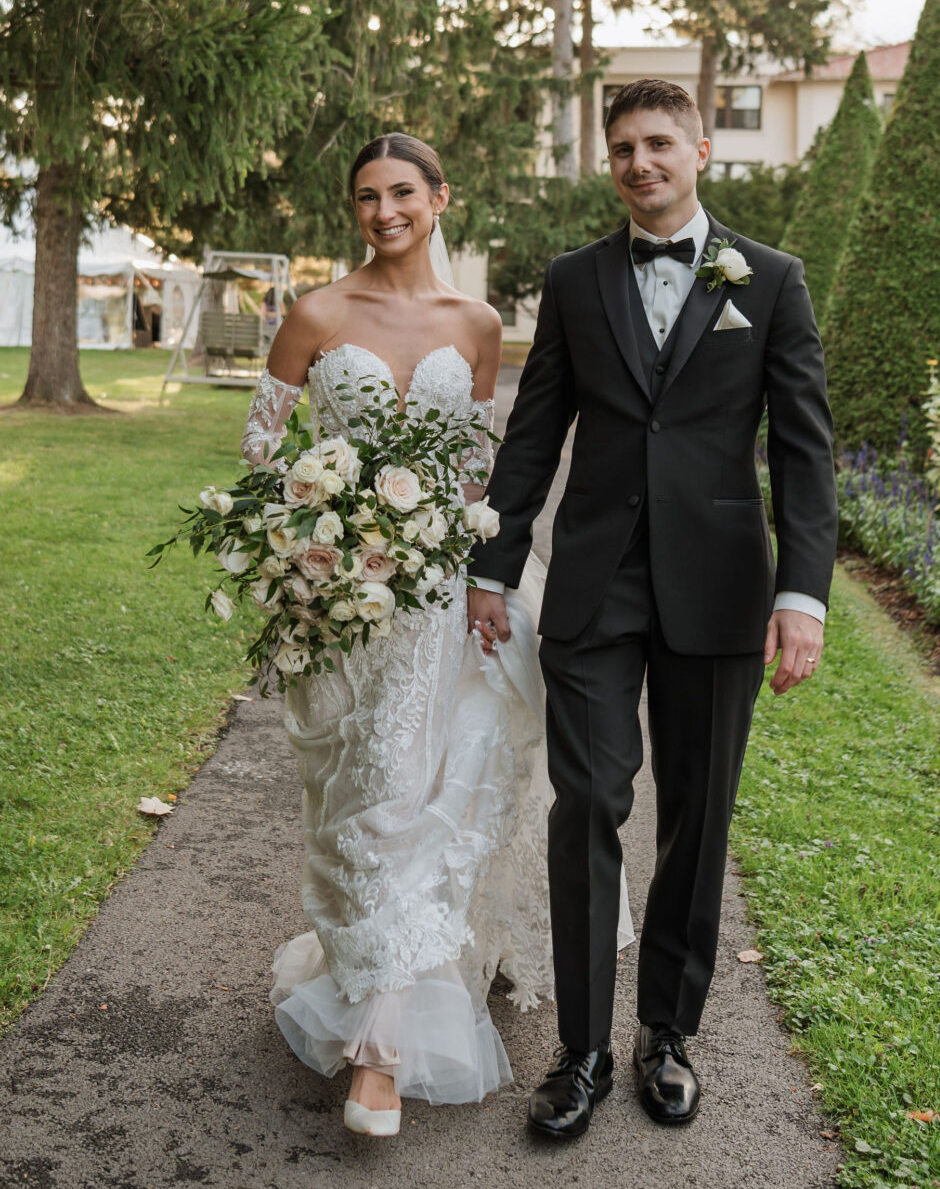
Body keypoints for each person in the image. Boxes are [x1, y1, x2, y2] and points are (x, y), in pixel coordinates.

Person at [467, 78, 838, 1139]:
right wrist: (493, 565)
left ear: (703, 151)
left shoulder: (770, 281)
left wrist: (802, 593)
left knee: (698, 816)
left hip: (721, 588)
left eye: (658, 143)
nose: (639, 161)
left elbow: (805, 457)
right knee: (588, 803)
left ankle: (664, 1033)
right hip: (594, 582)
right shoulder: (576, 281)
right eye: (622, 146)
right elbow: (534, 432)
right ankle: (580, 1050)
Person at [239, 134, 556, 1138]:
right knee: (369, 801)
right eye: (367, 196)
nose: (384, 211)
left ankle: (377, 1051)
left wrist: (486, 581)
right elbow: (259, 455)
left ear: (438, 199)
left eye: (403, 193)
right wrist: (307, 544)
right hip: (351, 609)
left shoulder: (480, 321)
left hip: (455, 599)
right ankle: (381, 975)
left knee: (446, 788)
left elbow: (474, 466)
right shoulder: (318, 312)